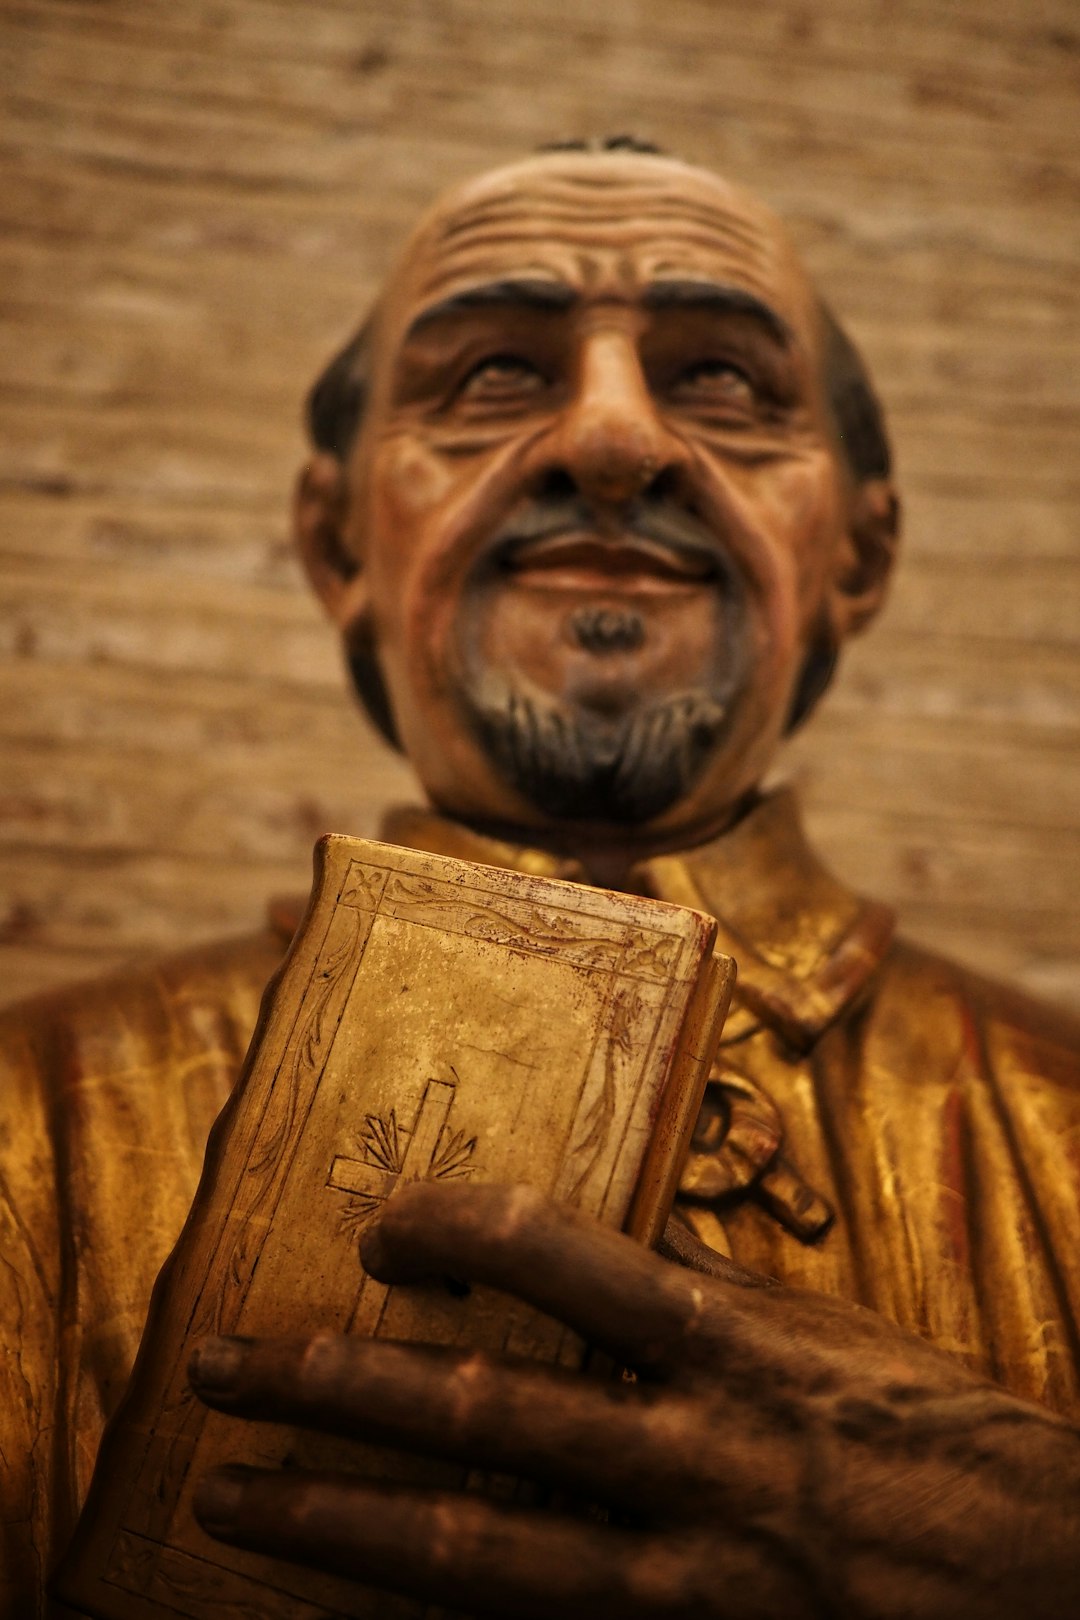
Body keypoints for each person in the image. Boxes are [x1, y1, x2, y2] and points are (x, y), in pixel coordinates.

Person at [3, 139, 1079, 1619]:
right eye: (495, 373)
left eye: (725, 382)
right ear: (335, 543)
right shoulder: (21, 1126)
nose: (617, 440)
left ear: (862, 555)